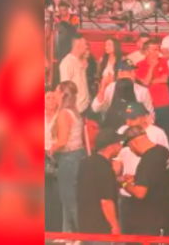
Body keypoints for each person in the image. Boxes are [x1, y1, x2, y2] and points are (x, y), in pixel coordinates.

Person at [121, 126, 169, 236]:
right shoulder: (164, 151)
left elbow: (140, 192)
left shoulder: (147, 160)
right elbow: (159, 175)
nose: (131, 151)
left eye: (130, 147)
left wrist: (124, 184)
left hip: (153, 220)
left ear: (134, 143)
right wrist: (137, 178)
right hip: (167, 212)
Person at [47, 82, 87, 236]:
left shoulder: (64, 113)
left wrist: (52, 148)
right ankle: (67, 234)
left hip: (68, 159)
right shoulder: (74, 111)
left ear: (63, 94)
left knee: (69, 199)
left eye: (57, 91)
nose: (54, 94)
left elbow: (63, 140)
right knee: (67, 198)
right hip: (77, 156)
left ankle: (81, 234)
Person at [77, 130, 124, 239]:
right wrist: (114, 226)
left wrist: (116, 178)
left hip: (85, 224)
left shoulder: (86, 162)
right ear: (110, 147)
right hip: (101, 228)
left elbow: (93, 185)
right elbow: (106, 201)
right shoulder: (105, 169)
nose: (120, 147)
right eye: (118, 144)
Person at [58, 37, 91, 113]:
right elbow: (66, 87)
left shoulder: (80, 61)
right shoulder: (67, 62)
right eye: (85, 44)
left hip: (85, 107)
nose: (86, 47)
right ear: (77, 44)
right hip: (77, 109)